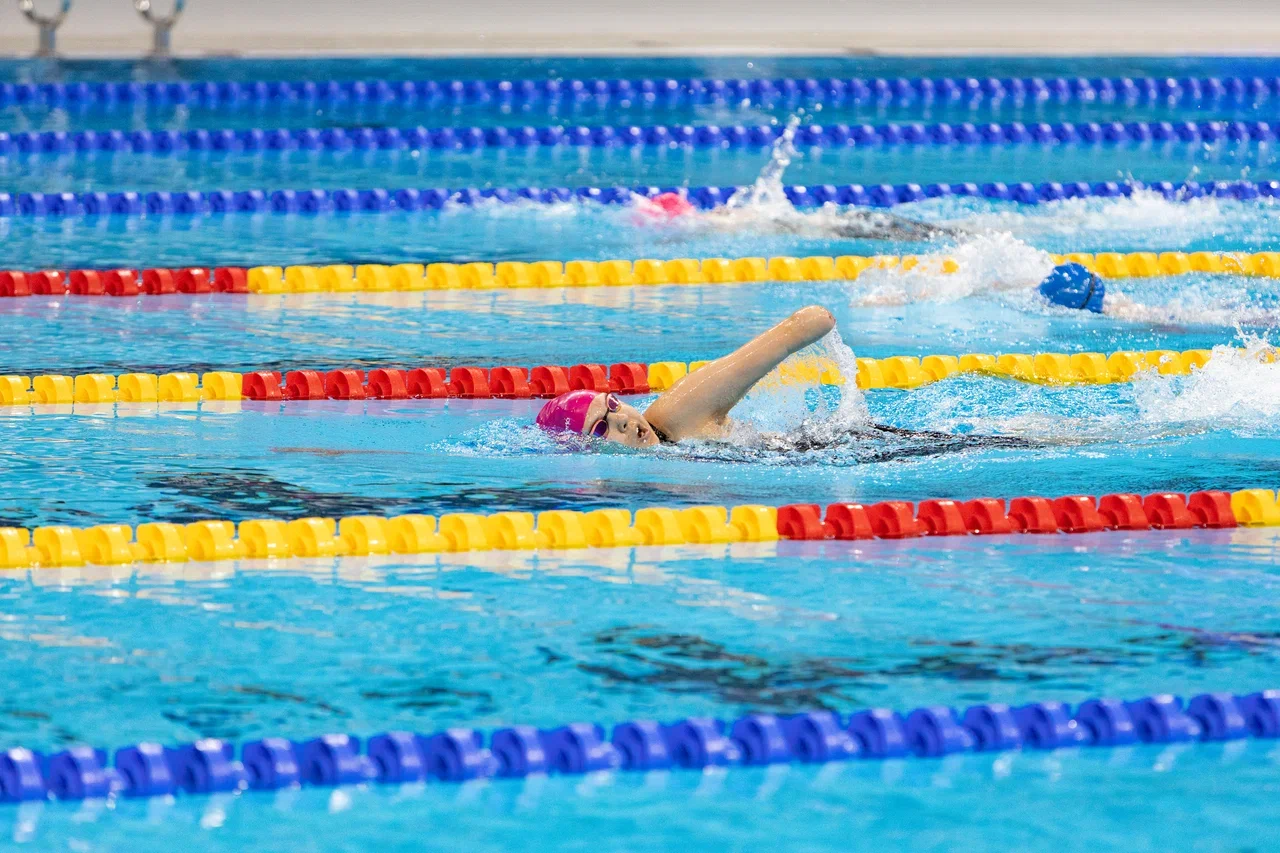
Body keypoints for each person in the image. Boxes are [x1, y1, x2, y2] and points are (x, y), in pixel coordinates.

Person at [536, 305, 837, 447]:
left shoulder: (676, 415)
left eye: (612, 405)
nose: (623, 420)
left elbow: (806, 325)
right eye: (601, 428)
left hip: (849, 445)